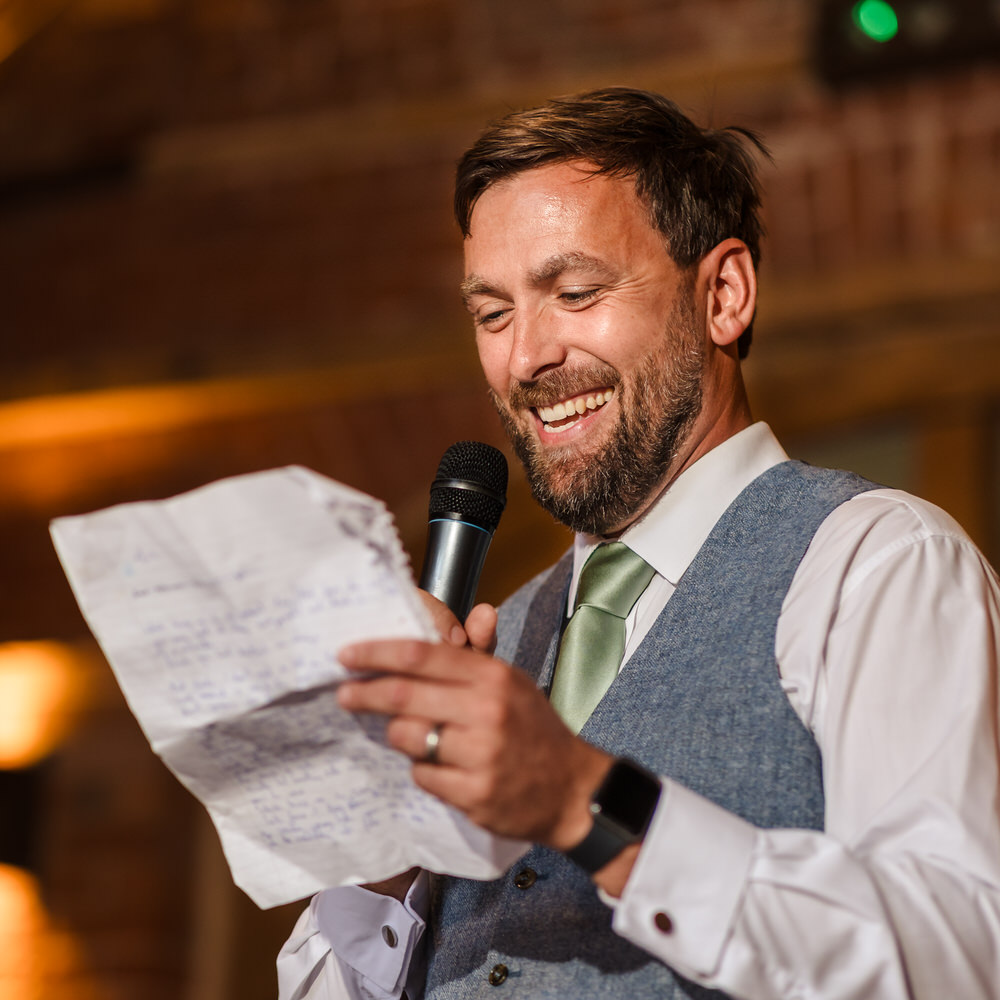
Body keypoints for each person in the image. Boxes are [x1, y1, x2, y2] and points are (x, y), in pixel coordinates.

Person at [277, 88, 1000, 999]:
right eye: (492, 314)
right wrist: (385, 838)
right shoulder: (508, 627)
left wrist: (588, 802)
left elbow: (962, 961)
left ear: (724, 295)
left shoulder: (876, 563)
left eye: (575, 293)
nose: (526, 357)